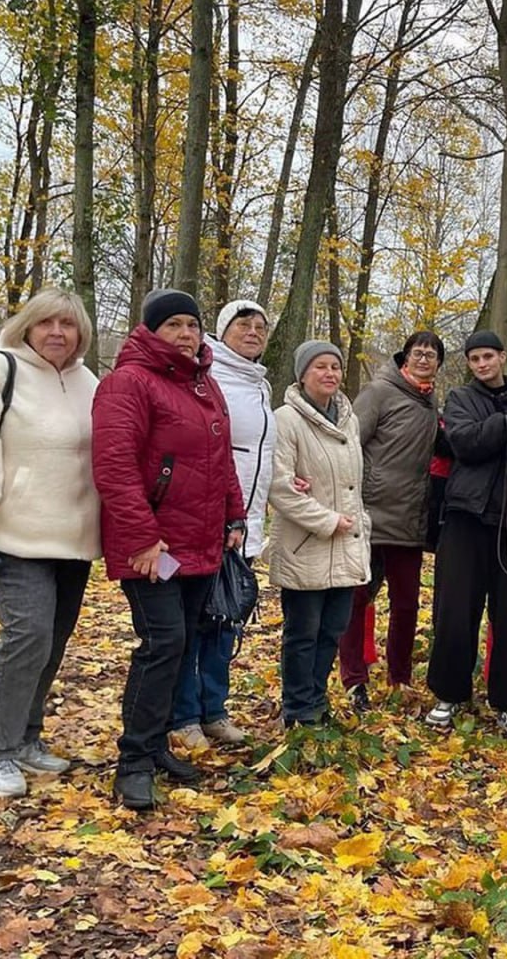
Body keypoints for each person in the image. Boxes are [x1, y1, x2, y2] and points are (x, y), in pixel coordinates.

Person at [0, 289, 101, 798]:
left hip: (72, 540)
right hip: (12, 536)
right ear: (27, 326)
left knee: (51, 643)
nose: (57, 332)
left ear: (81, 334)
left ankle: (28, 738)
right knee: (27, 636)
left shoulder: (87, 382)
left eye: (68, 325)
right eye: (46, 323)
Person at [93, 289, 246, 810]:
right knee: (162, 642)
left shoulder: (205, 384)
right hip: (151, 545)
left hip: (201, 542)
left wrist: (235, 514)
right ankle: (133, 761)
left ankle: (156, 745)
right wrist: (140, 536)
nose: (185, 335)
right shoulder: (128, 383)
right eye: (174, 325)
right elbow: (113, 467)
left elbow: (221, 458)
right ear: (151, 330)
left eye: (192, 325)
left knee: (179, 645)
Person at [426, 330, 507, 739]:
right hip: (466, 518)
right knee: (455, 612)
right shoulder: (461, 399)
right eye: (474, 358)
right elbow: (464, 442)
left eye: (488, 357)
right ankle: (448, 693)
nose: (482, 364)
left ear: (502, 356)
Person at [170, 299, 275, 750]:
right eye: (243, 324)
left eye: (260, 326)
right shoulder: (206, 376)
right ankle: (184, 715)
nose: (253, 331)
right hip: (205, 523)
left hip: (244, 526)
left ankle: (215, 709)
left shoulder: (261, 385)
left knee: (226, 618)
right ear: (221, 329)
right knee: (194, 621)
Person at [338, 331, 444, 710]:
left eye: (432, 355)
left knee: (407, 603)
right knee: (357, 598)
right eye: (418, 352)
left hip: (409, 519)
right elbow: (348, 441)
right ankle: (354, 679)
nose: (424, 359)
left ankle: (399, 677)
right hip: (368, 514)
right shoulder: (378, 392)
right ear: (405, 358)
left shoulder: (432, 403)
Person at [267, 340, 370, 728]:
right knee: (302, 633)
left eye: (335, 367)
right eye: (320, 367)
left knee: (332, 631)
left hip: (347, 544)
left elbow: (354, 485)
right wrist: (326, 520)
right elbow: (279, 487)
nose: (330, 374)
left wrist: (360, 524)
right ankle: (297, 709)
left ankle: (317, 700)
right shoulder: (285, 419)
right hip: (306, 544)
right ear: (302, 374)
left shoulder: (350, 419)